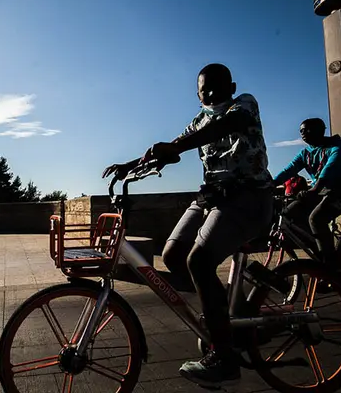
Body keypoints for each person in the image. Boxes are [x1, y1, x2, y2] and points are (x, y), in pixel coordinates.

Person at [103, 63, 274, 389]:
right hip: (213, 197)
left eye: (216, 87)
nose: (209, 94)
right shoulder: (199, 120)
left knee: (199, 260)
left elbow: (225, 126)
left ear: (233, 86)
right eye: (203, 91)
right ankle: (224, 315)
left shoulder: (244, 105)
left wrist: (177, 147)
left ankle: (224, 360)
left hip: (249, 198)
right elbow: (175, 144)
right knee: (173, 254)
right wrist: (131, 165)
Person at [272, 118, 341, 270]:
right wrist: (270, 184)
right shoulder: (305, 153)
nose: (303, 133)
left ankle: (331, 266)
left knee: (317, 218)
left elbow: (330, 168)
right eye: (301, 131)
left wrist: (315, 189)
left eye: (307, 130)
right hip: (323, 191)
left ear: (321, 130)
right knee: (288, 214)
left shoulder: (339, 146)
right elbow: (289, 170)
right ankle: (320, 255)